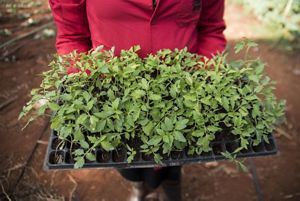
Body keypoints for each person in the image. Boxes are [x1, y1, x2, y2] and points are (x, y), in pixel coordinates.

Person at [49, 0, 226, 200]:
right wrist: (87, 83)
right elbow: (72, 36)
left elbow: (211, 29)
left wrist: (204, 78)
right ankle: (138, 185)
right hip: (112, 97)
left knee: (175, 153)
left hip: (181, 96)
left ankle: (171, 185)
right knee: (124, 156)